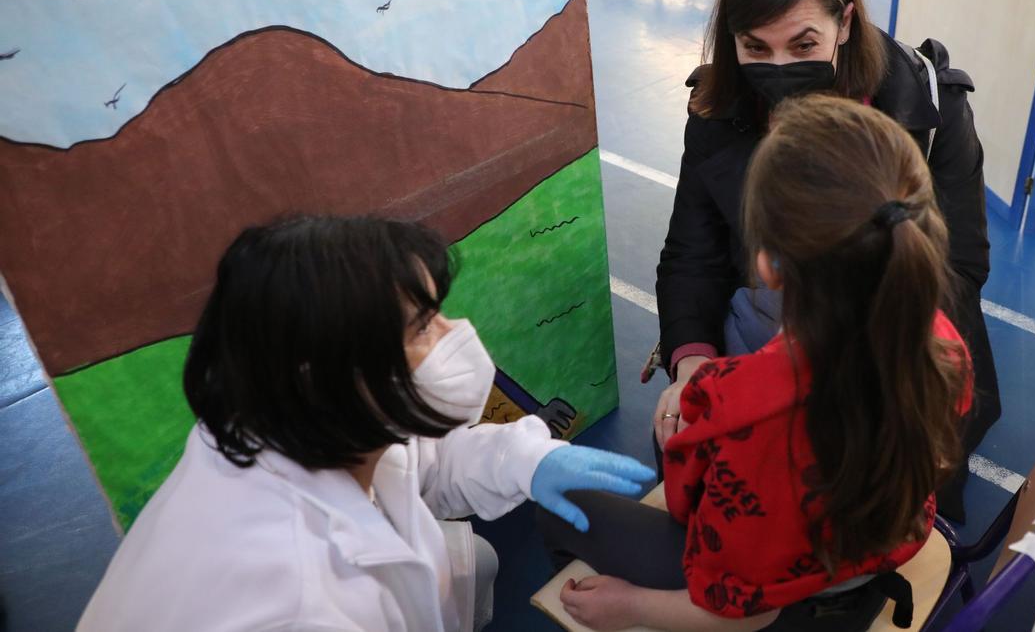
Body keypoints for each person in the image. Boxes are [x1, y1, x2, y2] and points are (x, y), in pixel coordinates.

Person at [77, 216, 654, 632]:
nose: (458, 334)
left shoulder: (291, 417)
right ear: (326, 372)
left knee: (472, 562)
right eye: (424, 327)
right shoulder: (300, 606)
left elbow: (415, 461)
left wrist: (527, 458)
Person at [540, 95, 973, 631]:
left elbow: (747, 614)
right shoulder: (941, 346)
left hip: (790, 598)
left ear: (766, 263)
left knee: (557, 500)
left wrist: (628, 605)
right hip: (875, 549)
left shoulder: (751, 420)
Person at [652, 0, 997, 521]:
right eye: (755, 48)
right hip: (759, 353)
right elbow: (693, 254)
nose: (779, 66)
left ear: (846, 23)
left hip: (887, 359)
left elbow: (958, 269)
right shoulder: (717, 110)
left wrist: (853, 366)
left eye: (803, 43)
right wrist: (692, 360)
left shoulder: (932, 110)